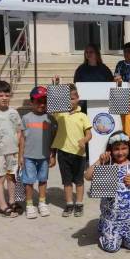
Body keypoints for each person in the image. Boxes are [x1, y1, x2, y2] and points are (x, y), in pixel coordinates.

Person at [84, 132, 130, 253]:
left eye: (124, 148)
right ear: (110, 149)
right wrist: (100, 161)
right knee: (111, 248)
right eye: (116, 149)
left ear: (129, 148)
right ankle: (104, 228)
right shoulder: (107, 165)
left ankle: (127, 234)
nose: (120, 152)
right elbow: (87, 176)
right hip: (112, 218)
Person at [51, 83, 92, 217]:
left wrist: (84, 140)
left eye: (73, 98)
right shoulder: (60, 114)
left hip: (79, 154)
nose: (70, 101)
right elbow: (53, 102)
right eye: (67, 98)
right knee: (67, 181)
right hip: (63, 153)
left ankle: (79, 204)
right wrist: (56, 85)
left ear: (78, 98)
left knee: (79, 181)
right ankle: (69, 204)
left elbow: (89, 134)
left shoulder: (83, 116)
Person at [0, 80, 24, 218]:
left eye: (7, 95)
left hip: (12, 153)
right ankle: (2, 205)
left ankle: (12, 201)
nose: (4, 98)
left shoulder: (14, 113)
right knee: (0, 179)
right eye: (0, 95)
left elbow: (19, 131)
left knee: (11, 178)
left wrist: (18, 151)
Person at [18, 86, 57, 219]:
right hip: (28, 156)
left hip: (44, 156)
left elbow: (54, 139)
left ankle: (42, 202)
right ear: (31, 102)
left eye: (44, 101)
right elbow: (22, 138)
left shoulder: (50, 119)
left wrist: (53, 155)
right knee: (29, 181)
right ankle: (29, 204)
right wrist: (20, 156)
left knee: (43, 179)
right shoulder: (26, 118)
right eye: (38, 101)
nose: (42, 104)